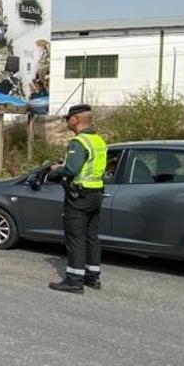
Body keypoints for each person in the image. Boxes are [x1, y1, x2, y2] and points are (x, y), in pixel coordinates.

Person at [48, 104, 108, 293]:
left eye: (68, 118)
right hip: (96, 194)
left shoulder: (79, 142)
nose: (67, 121)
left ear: (76, 119)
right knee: (92, 236)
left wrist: (57, 169)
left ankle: (74, 280)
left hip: (78, 196)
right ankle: (92, 276)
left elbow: (72, 170)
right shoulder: (98, 141)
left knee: (76, 237)